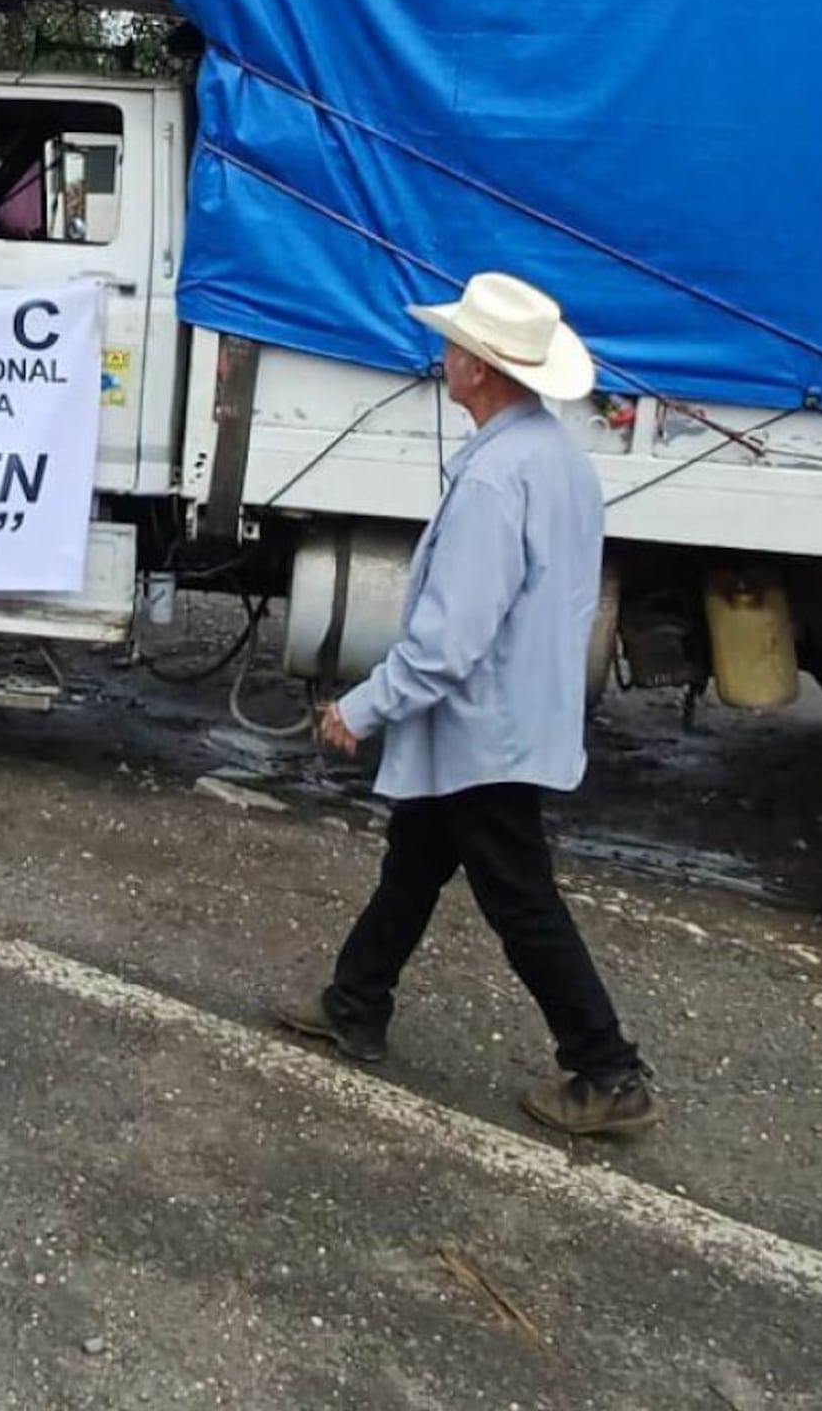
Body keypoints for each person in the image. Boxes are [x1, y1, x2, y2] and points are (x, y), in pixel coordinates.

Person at [278, 272, 658, 1138]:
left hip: (485, 725)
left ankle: (608, 1069)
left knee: (520, 899)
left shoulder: (495, 479)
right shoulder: (556, 457)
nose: (444, 358)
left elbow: (452, 638)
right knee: (415, 859)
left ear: (480, 370)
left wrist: (366, 706)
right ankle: (356, 1001)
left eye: (456, 347)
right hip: (507, 716)